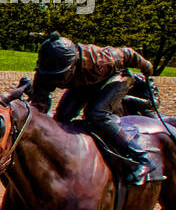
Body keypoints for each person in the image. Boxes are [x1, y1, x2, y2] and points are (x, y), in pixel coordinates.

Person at [30, 32, 159, 184]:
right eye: (54, 76)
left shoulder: (101, 59)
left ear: (73, 64)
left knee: (96, 113)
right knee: (62, 117)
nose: (57, 80)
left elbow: (129, 54)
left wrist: (147, 67)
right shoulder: (46, 72)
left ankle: (142, 158)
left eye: (61, 75)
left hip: (116, 78)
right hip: (85, 83)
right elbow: (39, 103)